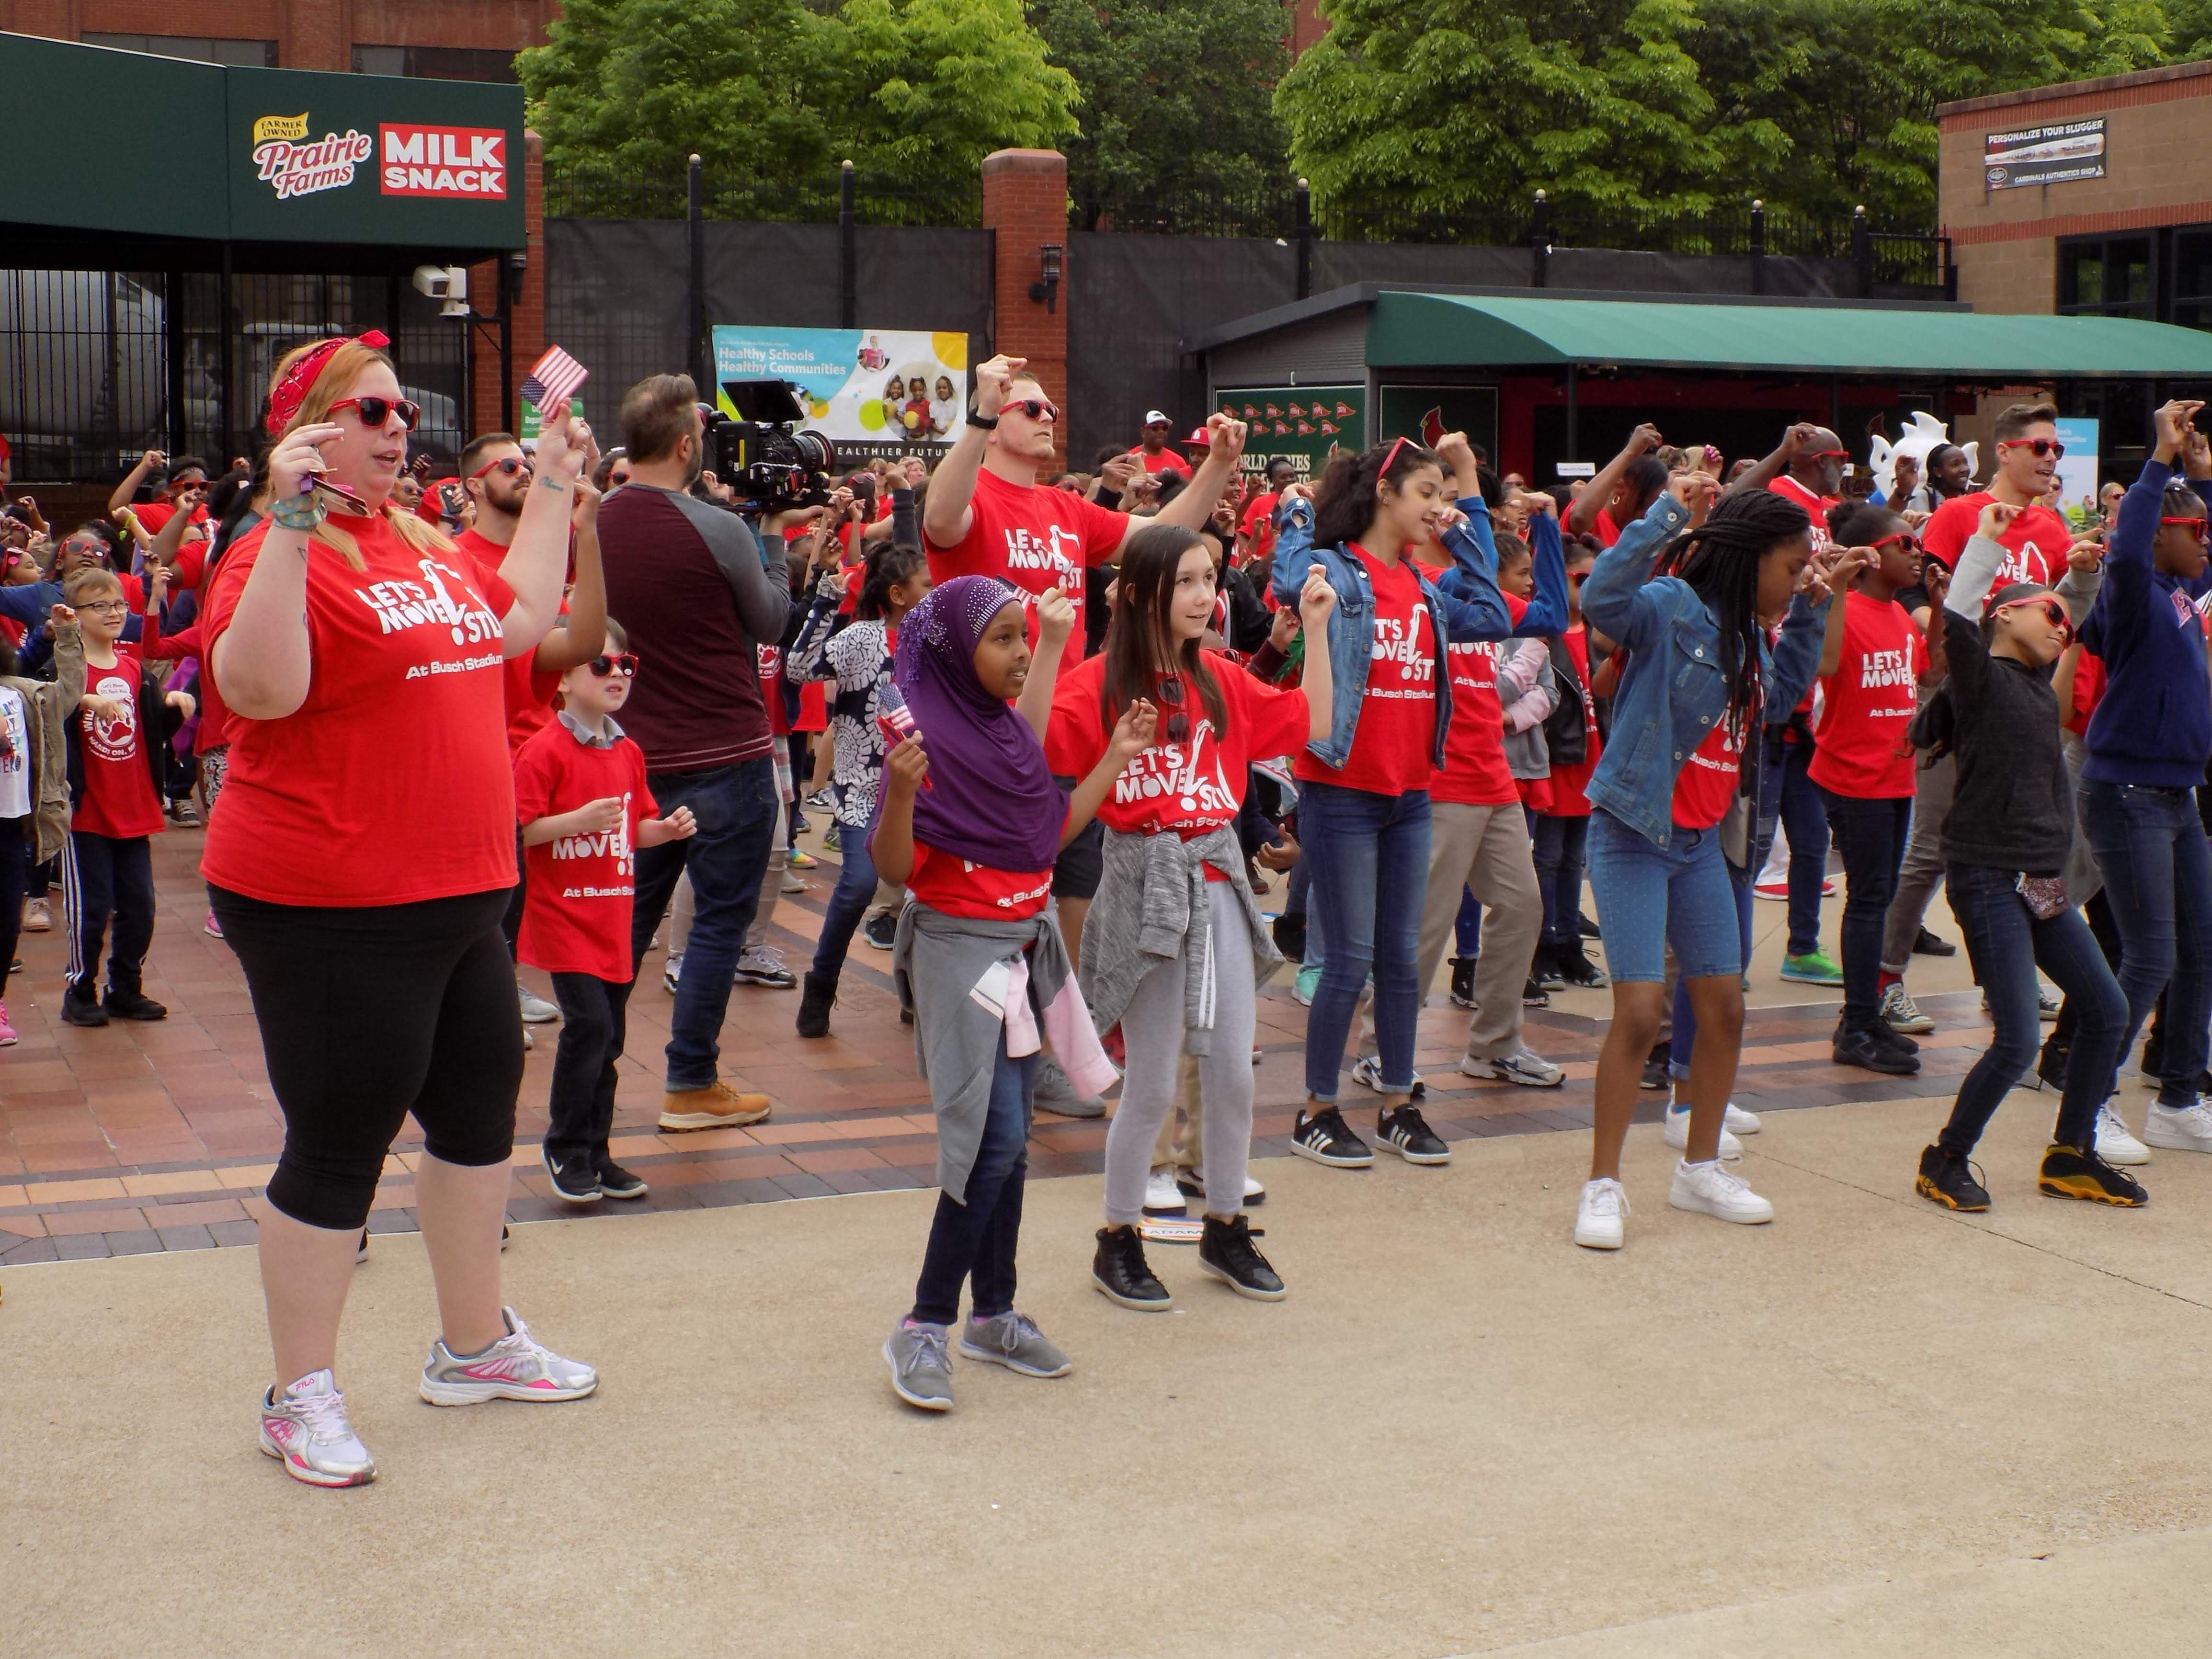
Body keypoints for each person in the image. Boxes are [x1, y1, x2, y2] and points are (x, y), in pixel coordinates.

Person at [205, 331, 595, 1488]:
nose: (395, 427)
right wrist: (281, 519)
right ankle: (298, 1392)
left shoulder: (413, 537)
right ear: (311, 429)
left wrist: (561, 484)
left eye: (396, 414)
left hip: (456, 890)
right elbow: (256, 688)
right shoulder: (280, 549)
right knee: (339, 1143)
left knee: (478, 1115)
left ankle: (472, 1344)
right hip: (331, 895)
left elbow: (519, 617)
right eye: (369, 413)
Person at [922, 356, 1243, 1113]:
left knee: (1071, 885)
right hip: (985, 734)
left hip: (1064, 723)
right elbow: (939, 521)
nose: (1045, 419)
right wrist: (975, 411)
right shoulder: (976, 494)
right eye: (1028, 409)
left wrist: (1220, 467)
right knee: (996, 895)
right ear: (994, 420)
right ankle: (989, 1049)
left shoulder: (1065, 511)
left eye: (1048, 412)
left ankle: (1057, 1048)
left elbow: (1163, 534)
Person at [1049, 525, 1335, 1310]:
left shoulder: (1219, 676)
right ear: (1139, 594)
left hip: (1215, 878)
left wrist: (1314, 629)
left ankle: (1224, 1224)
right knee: (1147, 1080)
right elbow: (1042, 761)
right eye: (1184, 581)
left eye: (1210, 578)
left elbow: (1313, 719)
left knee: (1233, 1072)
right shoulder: (1094, 684)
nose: (1204, 593)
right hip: (1145, 880)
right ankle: (1117, 1235)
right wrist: (1053, 659)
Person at [875, 577, 1142, 1412]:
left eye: (1024, 635)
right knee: (984, 1141)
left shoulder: (1005, 736)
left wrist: (1111, 762)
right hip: (960, 957)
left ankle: (992, 1313)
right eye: (1001, 638)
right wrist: (903, 790)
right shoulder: (925, 739)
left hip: (1025, 949)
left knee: (1013, 1141)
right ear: (957, 650)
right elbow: (895, 872)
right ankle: (922, 1323)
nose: (1022, 650)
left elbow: (1043, 837)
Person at [1573, 478, 1832, 1250]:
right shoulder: (1668, 607)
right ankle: (1602, 1184)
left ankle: (1697, 1171)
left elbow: (1783, 700)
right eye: (1789, 569)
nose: (1792, 583)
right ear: (1748, 558)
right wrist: (1666, 515)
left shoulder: (1755, 635)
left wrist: (1815, 607)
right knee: (1641, 1011)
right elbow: (1602, 602)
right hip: (1631, 833)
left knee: (1723, 1007)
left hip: (1699, 844)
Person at [1267, 433, 1521, 1170]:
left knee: (1403, 962)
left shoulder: (1426, 587)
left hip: (1411, 791)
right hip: (1342, 789)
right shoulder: (1339, 573)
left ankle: (1398, 1104)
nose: (1437, 510)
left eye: (1444, 497)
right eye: (1426, 496)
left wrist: (1464, 534)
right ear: (1383, 492)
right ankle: (1315, 1111)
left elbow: (1495, 613)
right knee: (1348, 960)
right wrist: (1301, 519)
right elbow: (1289, 581)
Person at [1914, 500, 2142, 1209]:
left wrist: (2074, 582)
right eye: (2045, 614)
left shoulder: (2036, 693)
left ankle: (2070, 1155)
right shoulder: (1978, 681)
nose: (2060, 627)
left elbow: (2064, 614)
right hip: (1986, 881)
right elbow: (1955, 621)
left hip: (2038, 883)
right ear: (2003, 616)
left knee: (2105, 1010)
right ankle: (1944, 1158)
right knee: (2015, 1039)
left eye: (2064, 621)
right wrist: (1984, 543)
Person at [595, 375, 792, 1133]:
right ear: (686, 445)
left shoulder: (595, 520)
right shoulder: (720, 530)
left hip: (635, 757)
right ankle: (690, 1083)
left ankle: (594, 1080)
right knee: (717, 925)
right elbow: (771, 620)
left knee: (624, 927)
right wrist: (773, 536)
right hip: (727, 756)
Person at [515, 624, 701, 1203]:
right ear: (563, 680)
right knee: (590, 1026)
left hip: (613, 918)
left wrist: (664, 830)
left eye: (626, 663)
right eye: (600, 664)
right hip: (564, 915)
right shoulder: (543, 750)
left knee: (610, 1036)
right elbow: (515, 831)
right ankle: (565, 1145)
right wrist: (573, 823)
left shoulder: (628, 750)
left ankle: (597, 1150)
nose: (618, 673)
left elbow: (633, 827)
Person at [2077, 399, 2212, 1151]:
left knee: (2201, 947)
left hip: (2177, 796)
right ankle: (2093, 1104)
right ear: (2159, 536)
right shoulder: (2133, 595)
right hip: (2125, 794)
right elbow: (2126, 553)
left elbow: (2192, 540)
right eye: (2193, 532)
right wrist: (2159, 459)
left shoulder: (2187, 592)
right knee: (2150, 954)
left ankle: (2179, 1099)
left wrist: (2200, 476)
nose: (2205, 544)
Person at [456, 430, 612, 1029]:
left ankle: (500, 990)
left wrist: (587, 530)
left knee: (517, 893)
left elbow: (581, 640)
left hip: (532, 756)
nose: (522, 472)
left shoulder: (551, 554)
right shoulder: (455, 559)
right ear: (474, 483)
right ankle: (488, 1002)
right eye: (508, 465)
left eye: (528, 463)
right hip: (475, 757)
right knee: (491, 895)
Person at [788, 508, 933, 1036]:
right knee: (857, 883)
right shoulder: (863, 638)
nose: (934, 591)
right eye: (926, 584)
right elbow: (799, 669)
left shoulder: (939, 643)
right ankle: (821, 984)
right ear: (898, 594)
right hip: (861, 787)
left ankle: (916, 991)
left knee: (927, 893)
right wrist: (825, 597)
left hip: (925, 789)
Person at [1809, 503, 1930, 1075]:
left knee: (1876, 899)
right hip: (1853, 775)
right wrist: (1835, 587)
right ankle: (1856, 1024)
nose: (1917, 551)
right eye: (1904, 544)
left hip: (1894, 775)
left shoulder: (1902, 617)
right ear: (1869, 555)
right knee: (1866, 900)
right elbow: (1826, 663)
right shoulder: (1846, 607)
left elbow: (1930, 674)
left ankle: (1865, 1015)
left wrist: (1950, 598)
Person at [59, 565, 190, 1027]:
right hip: (87, 811)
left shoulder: (135, 669)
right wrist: (79, 701)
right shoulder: (65, 672)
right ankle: (80, 989)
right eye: (99, 606)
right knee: (90, 908)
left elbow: (148, 732)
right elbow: (50, 718)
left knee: (139, 906)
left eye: (118, 605)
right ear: (73, 615)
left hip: (134, 805)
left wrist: (174, 710)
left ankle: (125, 987)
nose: (113, 613)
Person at [0, 599, 83, 1045]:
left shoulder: (20, 693)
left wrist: (67, 637)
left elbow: (66, 694)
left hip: (13, 825)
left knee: (5, 924)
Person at [1921, 403, 2070, 588]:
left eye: (2056, 450)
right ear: (2004, 453)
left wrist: (2089, 571)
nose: (2051, 458)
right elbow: (1918, 596)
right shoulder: (1955, 513)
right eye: (2040, 447)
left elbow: (2078, 597)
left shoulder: (2051, 526)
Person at [1133, 411, 1191, 478]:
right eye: (1155, 428)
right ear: (1143, 432)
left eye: (1165, 428)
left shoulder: (1178, 461)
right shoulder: (1132, 458)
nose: (1161, 432)